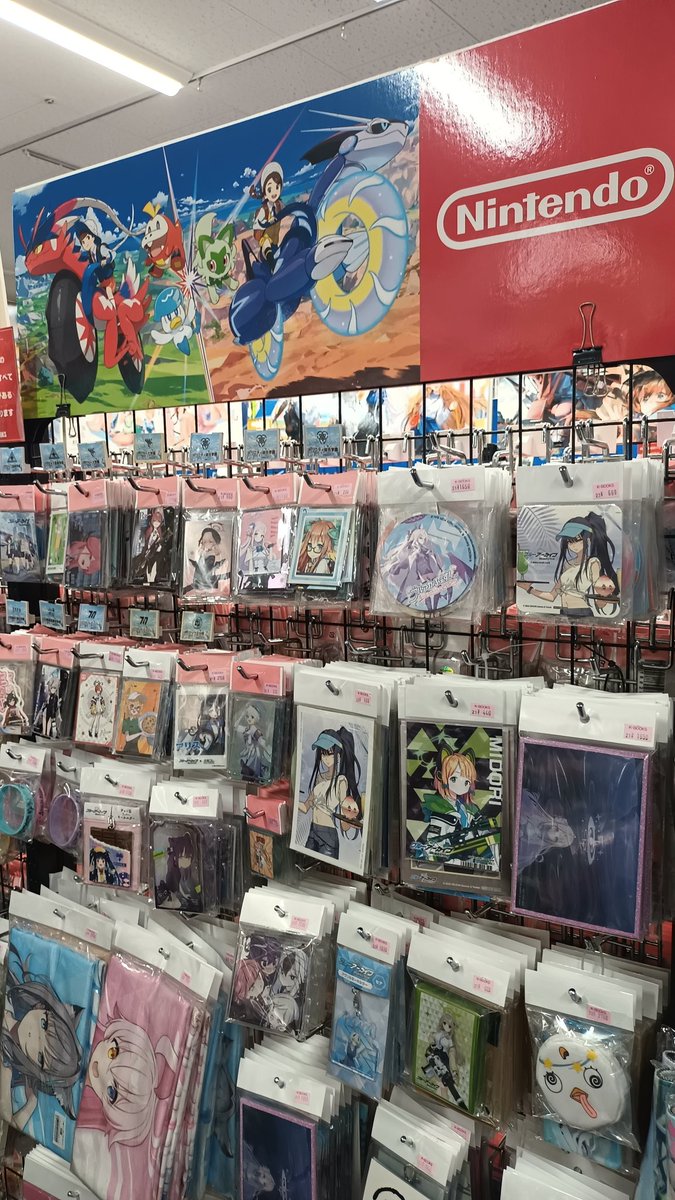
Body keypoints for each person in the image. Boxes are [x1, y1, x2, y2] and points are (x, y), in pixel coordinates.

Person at [1, 949, 83, 1132]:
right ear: (41, 1006)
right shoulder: (9, 993)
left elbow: (8, 1119)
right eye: (44, 1024)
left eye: (40, 1057)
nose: (35, 1035)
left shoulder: (6, 1065)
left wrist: (31, 1103)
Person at [518, 512, 619, 618]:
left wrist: (604, 599)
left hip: (582, 612)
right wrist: (529, 589)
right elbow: (551, 596)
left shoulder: (592, 563)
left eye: (577, 540)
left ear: (588, 539)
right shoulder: (567, 564)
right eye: (570, 541)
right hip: (563, 612)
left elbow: (599, 595)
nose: (573, 545)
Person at [298, 727, 363, 859]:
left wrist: (350, 821)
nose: (325, 758)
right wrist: (291, 801)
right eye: (323, 754)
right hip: (312, 832)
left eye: (330, 753)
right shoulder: (319, 777)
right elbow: (305, 807)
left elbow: (344, 817)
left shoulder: (341, 781)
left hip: (328, 836)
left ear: (338, 754)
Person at [250, 162, 285, 265]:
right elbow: (256, 227)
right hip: (266, 246)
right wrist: (266, 222)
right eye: (270, 189)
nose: (274, 192)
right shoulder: (263, 210)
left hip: (275, 243)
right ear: (265, 192)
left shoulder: (279, 205)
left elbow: (288, 210)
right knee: (266, 242)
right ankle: (272, 264)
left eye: (277, 187)